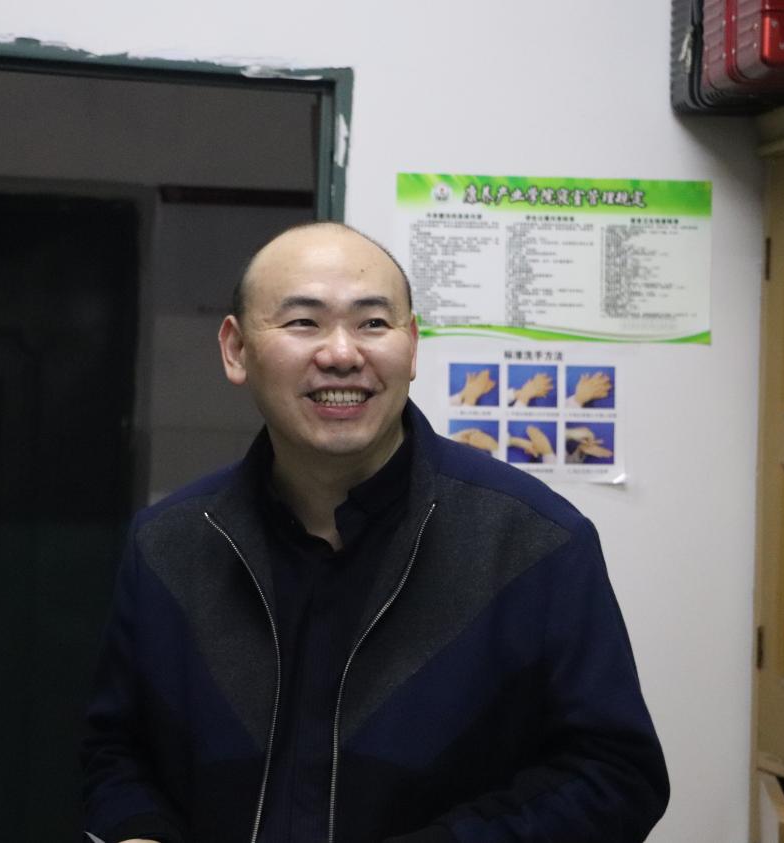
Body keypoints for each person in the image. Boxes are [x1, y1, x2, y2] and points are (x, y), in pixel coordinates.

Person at [81, 222, 669, 843]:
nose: (341, 353)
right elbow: (115, 750)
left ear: (411, 347)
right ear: (236, 350)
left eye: (373, 323)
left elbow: (614, 776)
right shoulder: (169, 544)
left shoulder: (534, 542)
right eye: (303, 322)